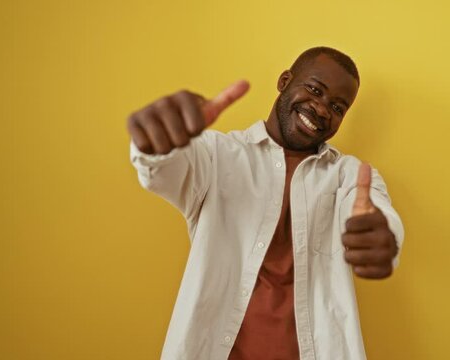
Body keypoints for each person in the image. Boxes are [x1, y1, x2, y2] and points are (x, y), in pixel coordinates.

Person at [128, 47, 404, 360]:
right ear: (285, 80)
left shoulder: (351, 175)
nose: (323, 110)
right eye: (315, 90)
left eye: (338, 107)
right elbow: (163, 168)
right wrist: (153, 144)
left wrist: (382, 237)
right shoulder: (217, 155)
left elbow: (378, 215)